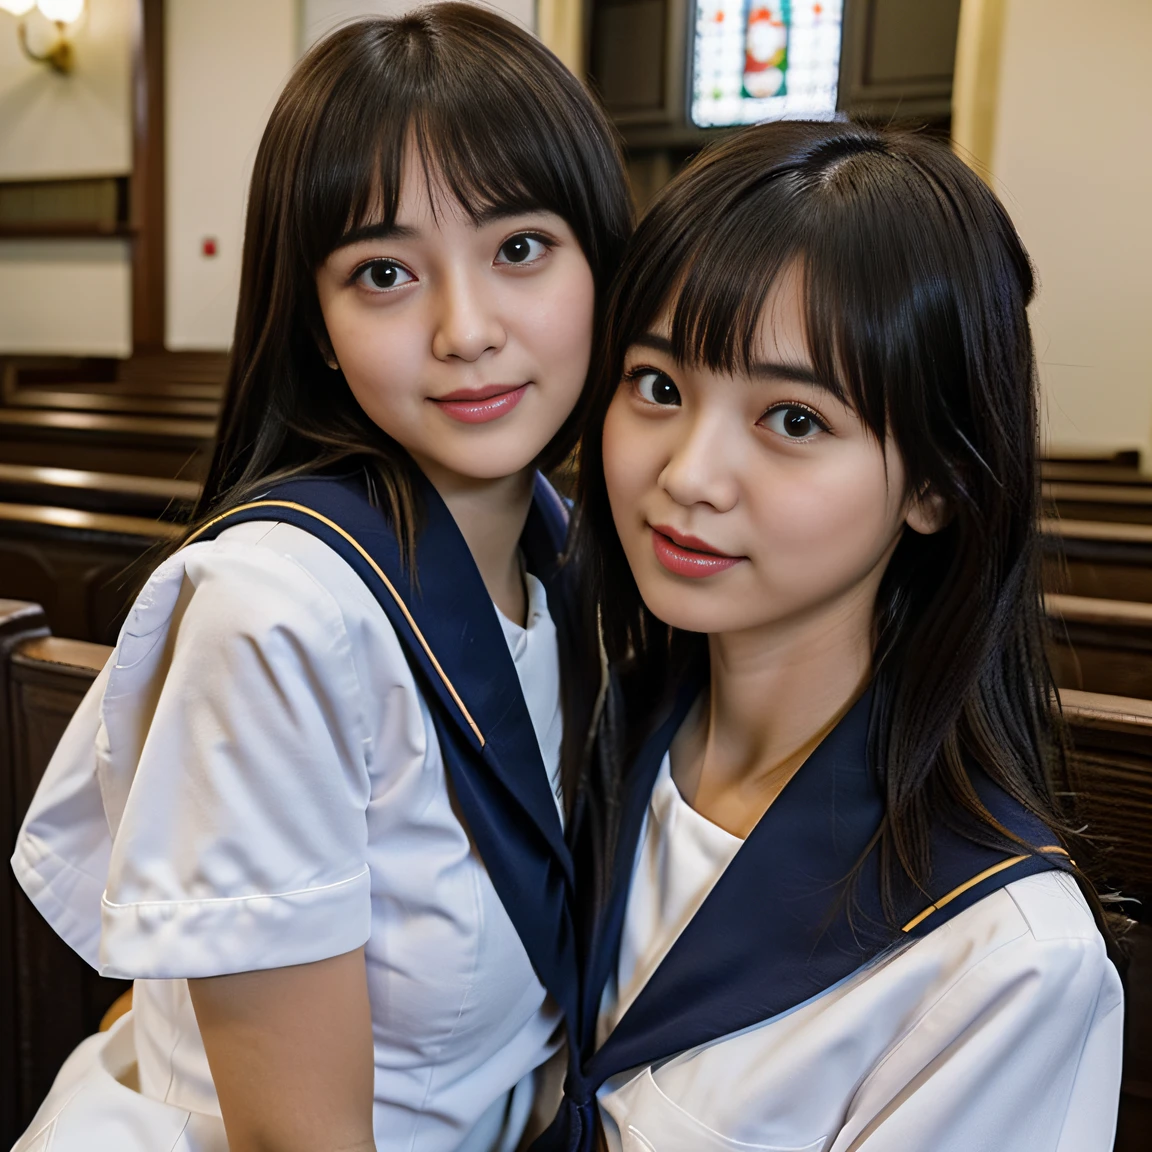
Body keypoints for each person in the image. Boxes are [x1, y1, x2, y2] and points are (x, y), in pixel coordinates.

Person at [10, 7, 630, 1151]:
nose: (467, 329)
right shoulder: (277, 615)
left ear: (606, 253)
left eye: (520, 248)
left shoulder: (581, 556)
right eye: (385, 271)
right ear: (318, 320)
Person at [539, 120, 1123, 1152]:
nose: (688, 475)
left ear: (938, 484)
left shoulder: (1002, 958)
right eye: (660, 387)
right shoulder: (580, 730)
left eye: (794, 420)